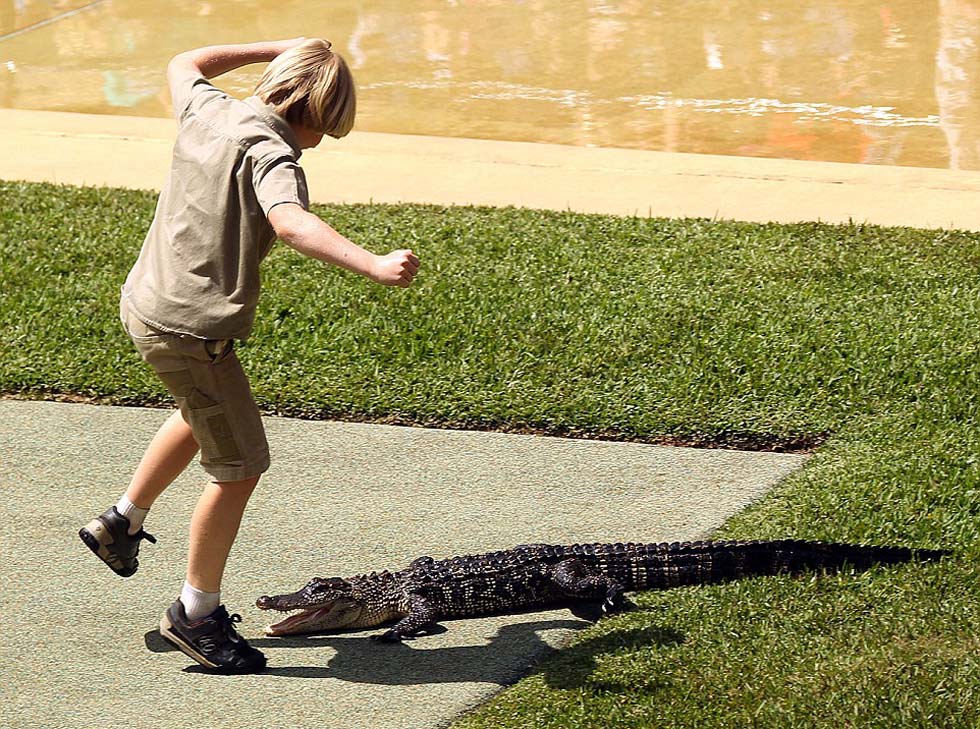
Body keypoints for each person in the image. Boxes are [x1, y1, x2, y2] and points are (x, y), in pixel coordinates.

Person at [78, 37, 419, 674]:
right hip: (189, 331)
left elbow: (184, 62)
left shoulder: (207, 109)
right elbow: (290, 223)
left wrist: (276, 46)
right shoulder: (273, 153)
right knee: (237, 467)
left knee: (199, 409)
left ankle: (121, 522)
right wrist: (372, 263)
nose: (322, 142)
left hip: (148, 305)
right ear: (316, 113)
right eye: (327, 129)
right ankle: (196, 614)